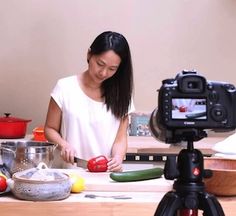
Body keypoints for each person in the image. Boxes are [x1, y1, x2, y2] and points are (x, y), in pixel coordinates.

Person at [44, 31, 134, 172]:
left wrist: (117, 157)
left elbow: (120, 139)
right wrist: (63, 145)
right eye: (100, 64)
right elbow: (50, 129)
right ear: (89, 54)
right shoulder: (65, 88)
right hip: (70, 174)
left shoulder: (121, 95)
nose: (103, 73)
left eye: (112, 69)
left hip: (106, 176)